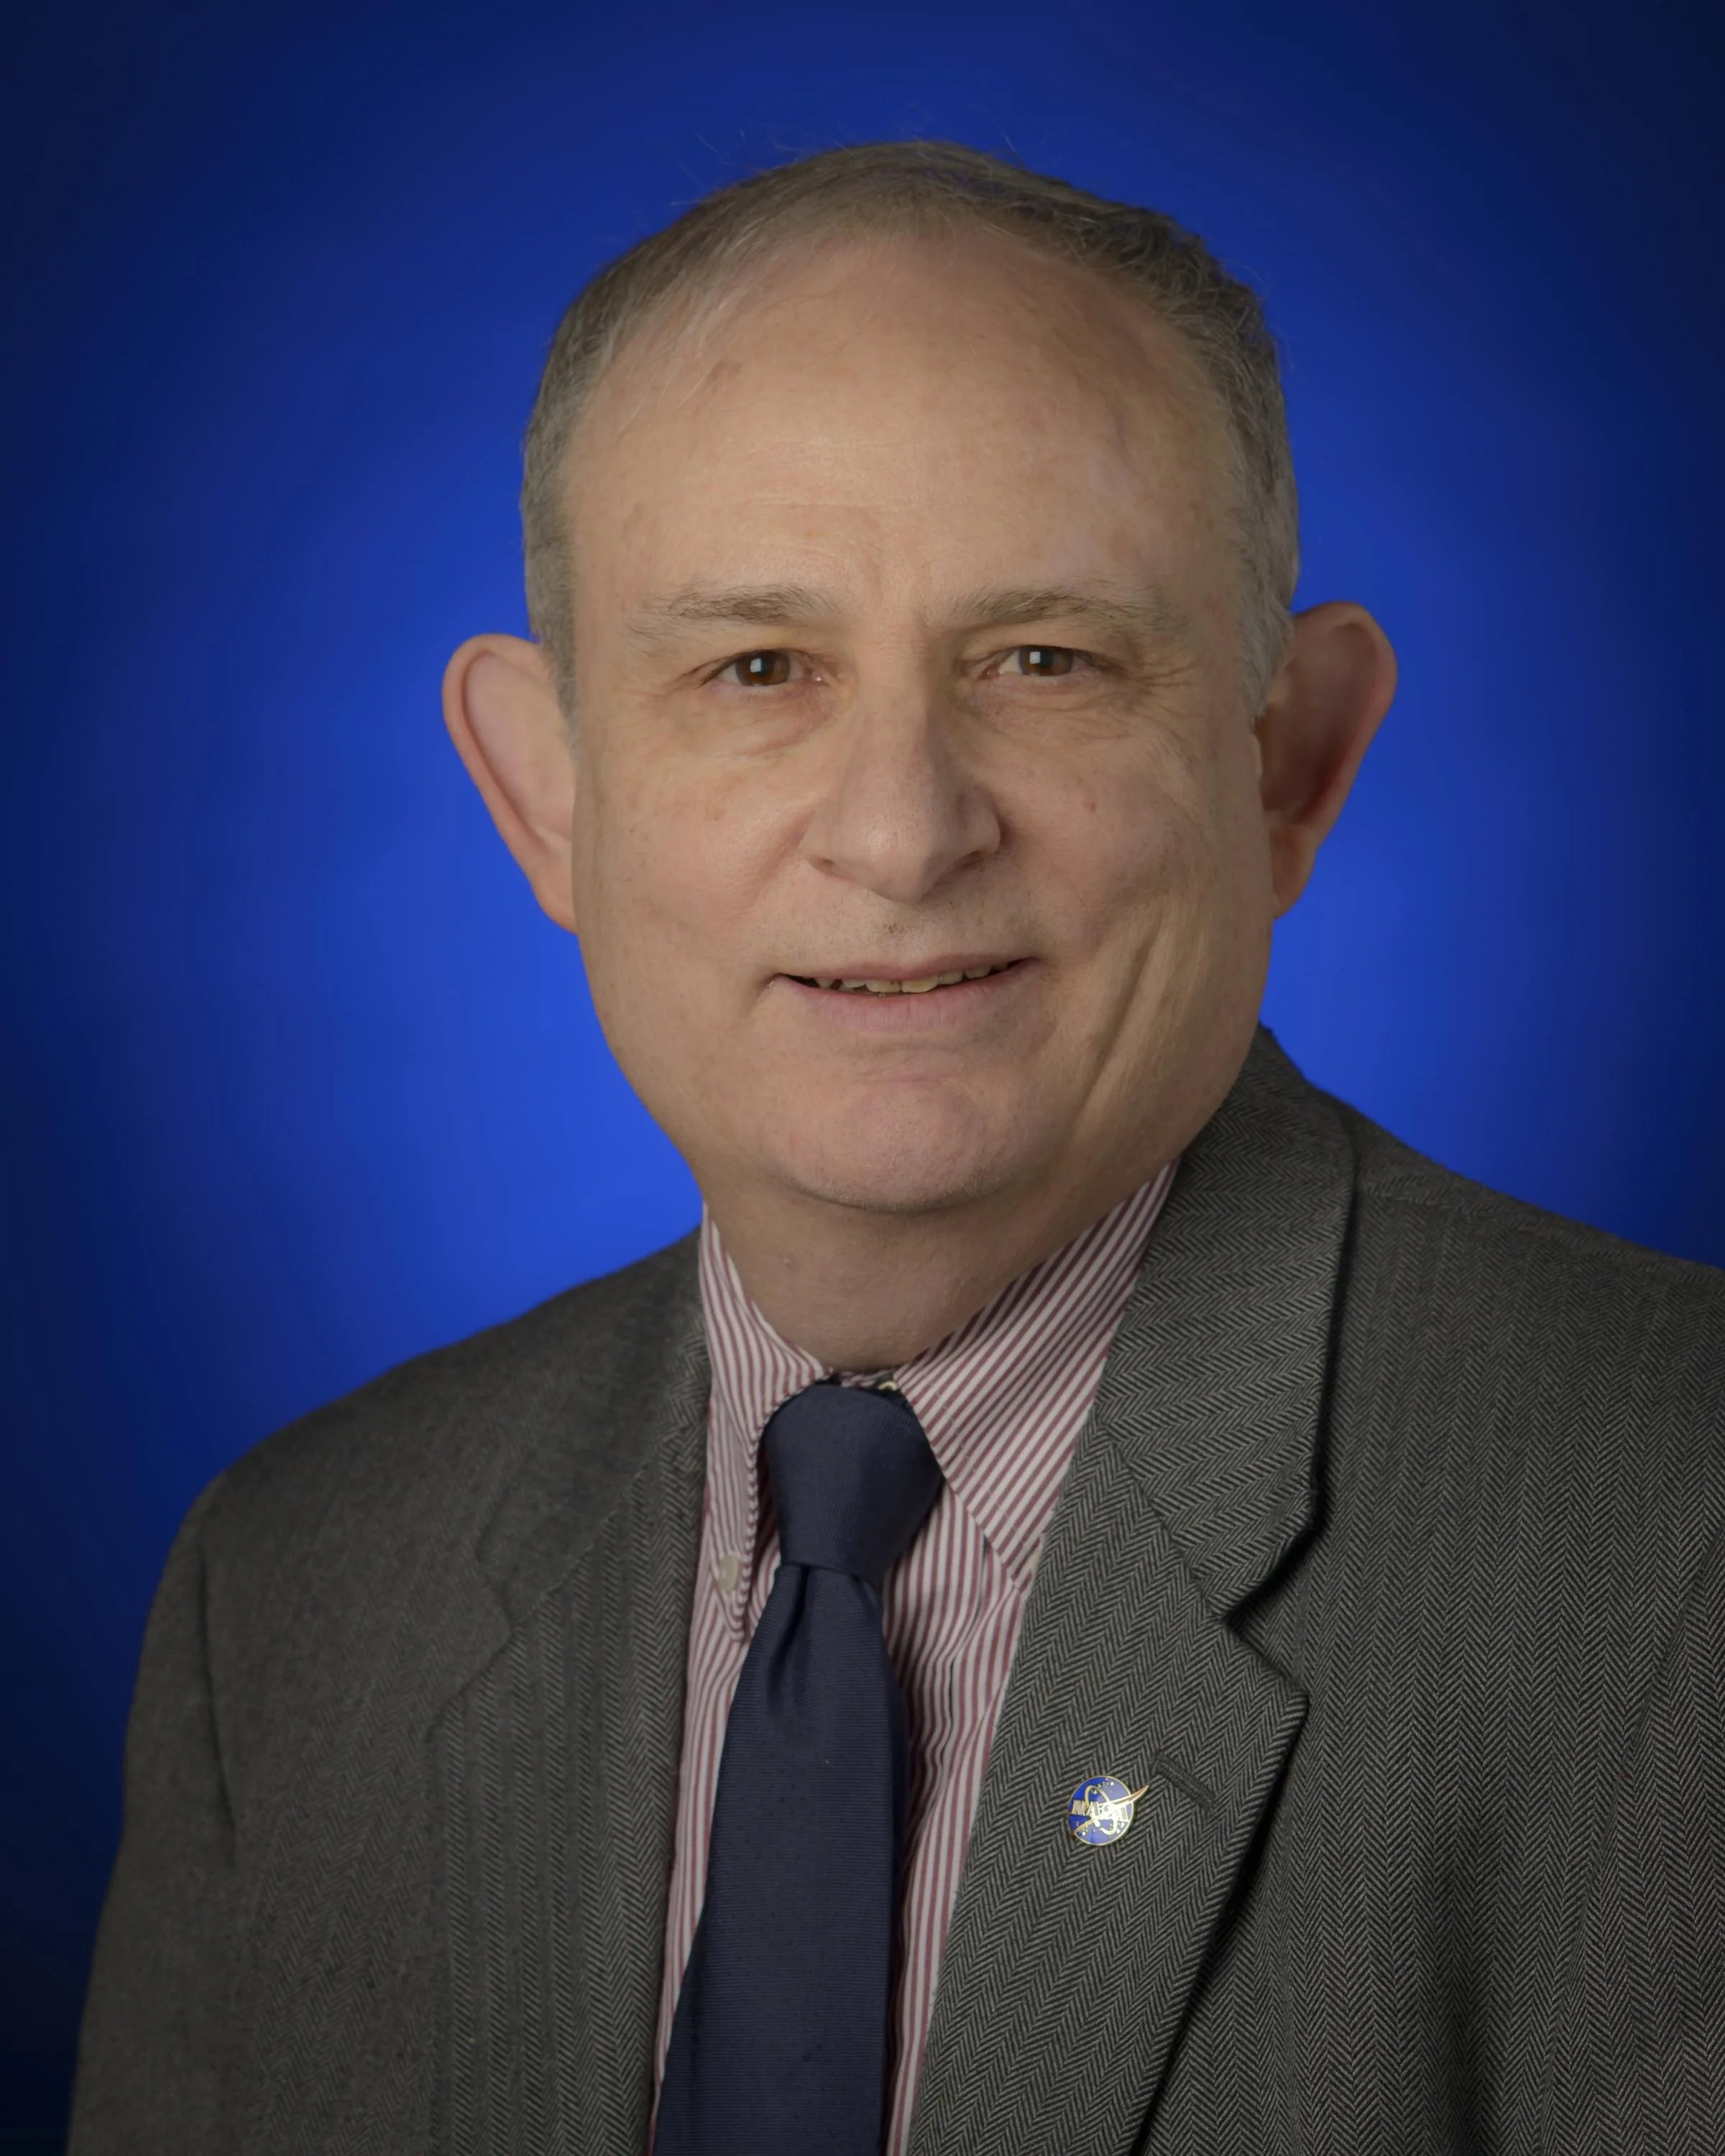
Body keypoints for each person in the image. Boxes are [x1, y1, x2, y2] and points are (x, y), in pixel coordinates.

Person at [68, 139, 1724, 2156]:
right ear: (545, 797)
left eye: (1046, 660)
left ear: (1288, 763)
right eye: (756, 670)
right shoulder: (303, 1593)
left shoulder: (1672, 1546)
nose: (903, 828)